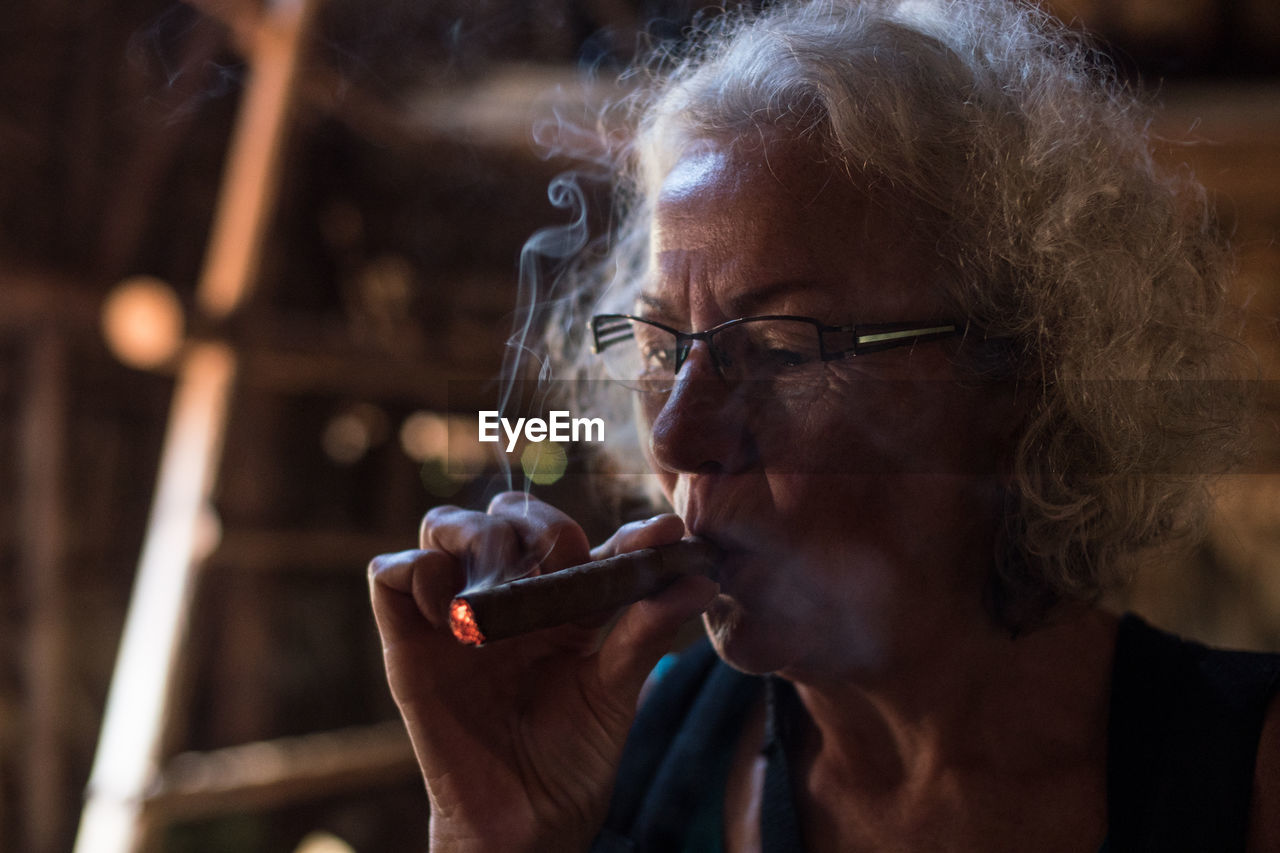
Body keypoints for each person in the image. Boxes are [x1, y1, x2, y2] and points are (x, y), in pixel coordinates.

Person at [368, 0, 1280, 850]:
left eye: (777, 347)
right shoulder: (619, 765)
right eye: (658, 347)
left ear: (1021, 380)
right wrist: (496, 832)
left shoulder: (1251, 775)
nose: (676, 440)